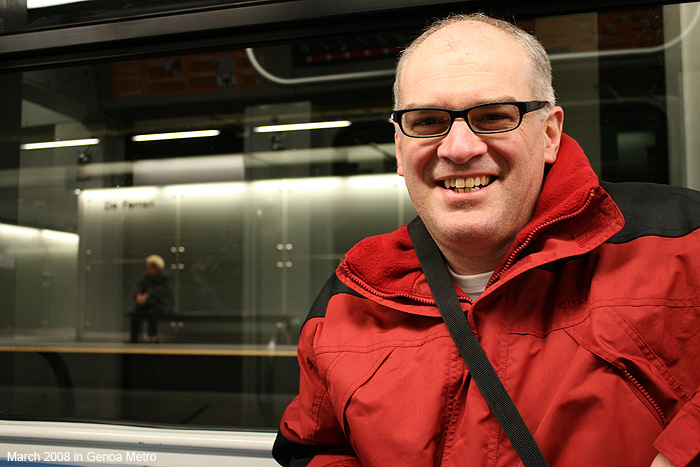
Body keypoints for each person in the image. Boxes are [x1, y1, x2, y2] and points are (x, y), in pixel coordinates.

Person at [273, 13, 700, 467]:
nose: (458, 148)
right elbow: (317, 447)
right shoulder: (353, 294)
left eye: (494, 116)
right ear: (399, 148)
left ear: (550, 133)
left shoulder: (683, 242)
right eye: (428, 121)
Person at [129, 254, 173, 343]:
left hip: (158, 305)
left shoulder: (163, 279)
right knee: (135, 312)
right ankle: (134, 338)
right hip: (146, 305)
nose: (149, 270)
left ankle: (153, 336)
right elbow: (139, 288)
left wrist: (147, 297)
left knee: (152, 313)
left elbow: (160, 293)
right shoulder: (146, 278)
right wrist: (138, 296)